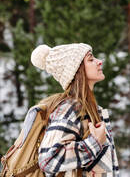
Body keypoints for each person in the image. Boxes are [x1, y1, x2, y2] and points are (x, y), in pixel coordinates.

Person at [30, 43, 120, 177]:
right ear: (76, 70)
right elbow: (48, 160)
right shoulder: (70, 109)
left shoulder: (91, 109)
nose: (99, 62)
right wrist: (94, 144)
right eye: (90, 59)